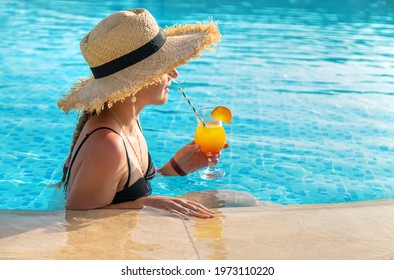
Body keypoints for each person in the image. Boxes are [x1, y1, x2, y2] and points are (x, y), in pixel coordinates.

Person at [57, 8, 222, 219]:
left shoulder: (127, 120)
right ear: (136, 82)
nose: (175, 73)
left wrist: (176, 167)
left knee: (236, 199)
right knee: (235, 201)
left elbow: (125, 185)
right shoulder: (108, 145)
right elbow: (74, 218)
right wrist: (143, 204)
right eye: (165, 66)